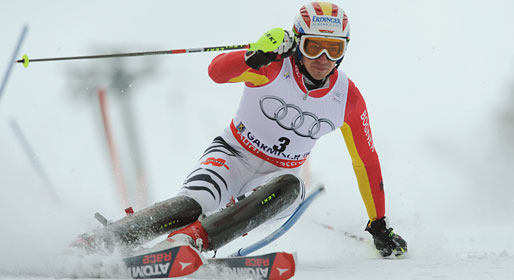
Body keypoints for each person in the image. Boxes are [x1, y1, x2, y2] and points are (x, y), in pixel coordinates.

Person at [77, 2, 407, 258]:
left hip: (276, 179)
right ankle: (105, 239)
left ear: (344, 50)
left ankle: (188, 241)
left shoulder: (347, 98)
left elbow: (366, 161)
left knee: (292, 186)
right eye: (314, 47)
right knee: (196, 201)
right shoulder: (272, 66)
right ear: (297, 43)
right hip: (232, 155)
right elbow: (216, 73)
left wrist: (378, 222)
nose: (322, 59)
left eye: (333, 49)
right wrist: (252, 57)